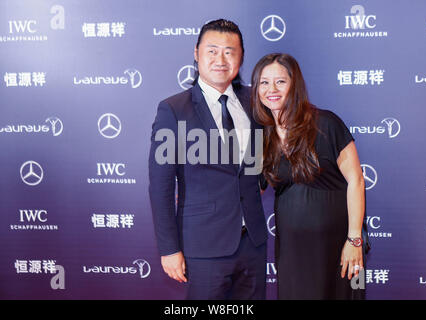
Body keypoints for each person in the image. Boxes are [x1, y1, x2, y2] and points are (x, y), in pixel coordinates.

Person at [148, 19, 268, 300]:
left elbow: (260, 163)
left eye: (230, 51)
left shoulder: (255, 102)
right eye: (212, 50)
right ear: (196, 53)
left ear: (241, 57)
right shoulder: (173, 110)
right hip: (203, 246)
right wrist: (169, 248)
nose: (221, 59)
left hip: (253, 243)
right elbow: (161, 186)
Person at [251, 53, 366, 299]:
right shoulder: (262, 137)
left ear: (295, 85)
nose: (271, 89)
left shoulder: (326, 123)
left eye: (280, 81)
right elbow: (251, 189)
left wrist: (354, 240)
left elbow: (356, 179)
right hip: (292, 251)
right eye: (264, 82)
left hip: (340, 245)